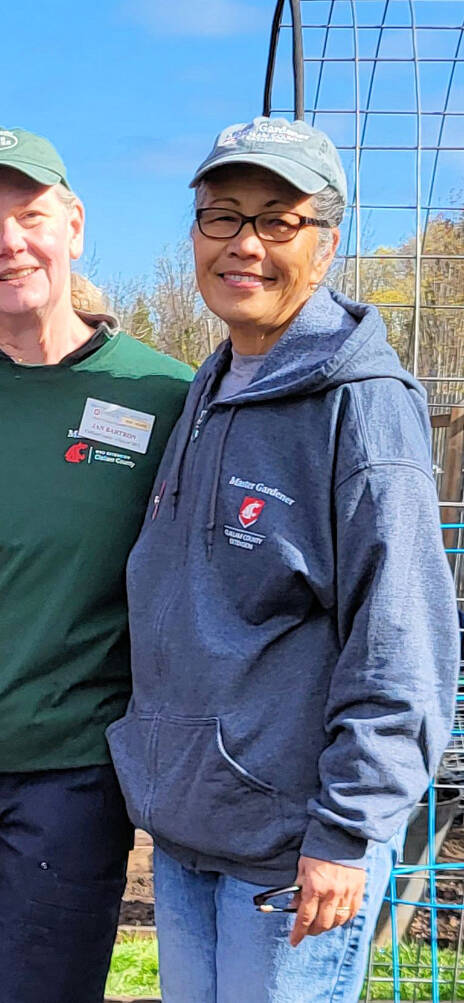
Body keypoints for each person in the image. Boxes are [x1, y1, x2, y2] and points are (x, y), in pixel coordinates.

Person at [109, 117, 458, 1003]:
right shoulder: (211, 386)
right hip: (190, 835)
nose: (246, 245)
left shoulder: (364, 410)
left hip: (294, 850)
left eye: (278, 219)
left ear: (327, 240)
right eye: (222, 216)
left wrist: (346, 831)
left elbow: (403, 642)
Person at [0, 127, 192, 1002]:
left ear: (75, 225)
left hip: (69, 778)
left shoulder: (163, 396)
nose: (10, 242)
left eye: (30, 216)